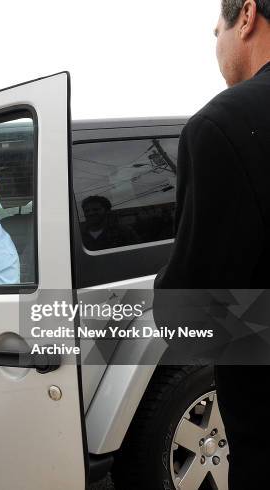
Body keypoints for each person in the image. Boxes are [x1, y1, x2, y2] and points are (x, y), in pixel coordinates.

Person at [154, 0, 270, 487]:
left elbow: (191, 313)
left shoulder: (223, 126)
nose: (215, 43)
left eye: (215, 28)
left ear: (245, 16)